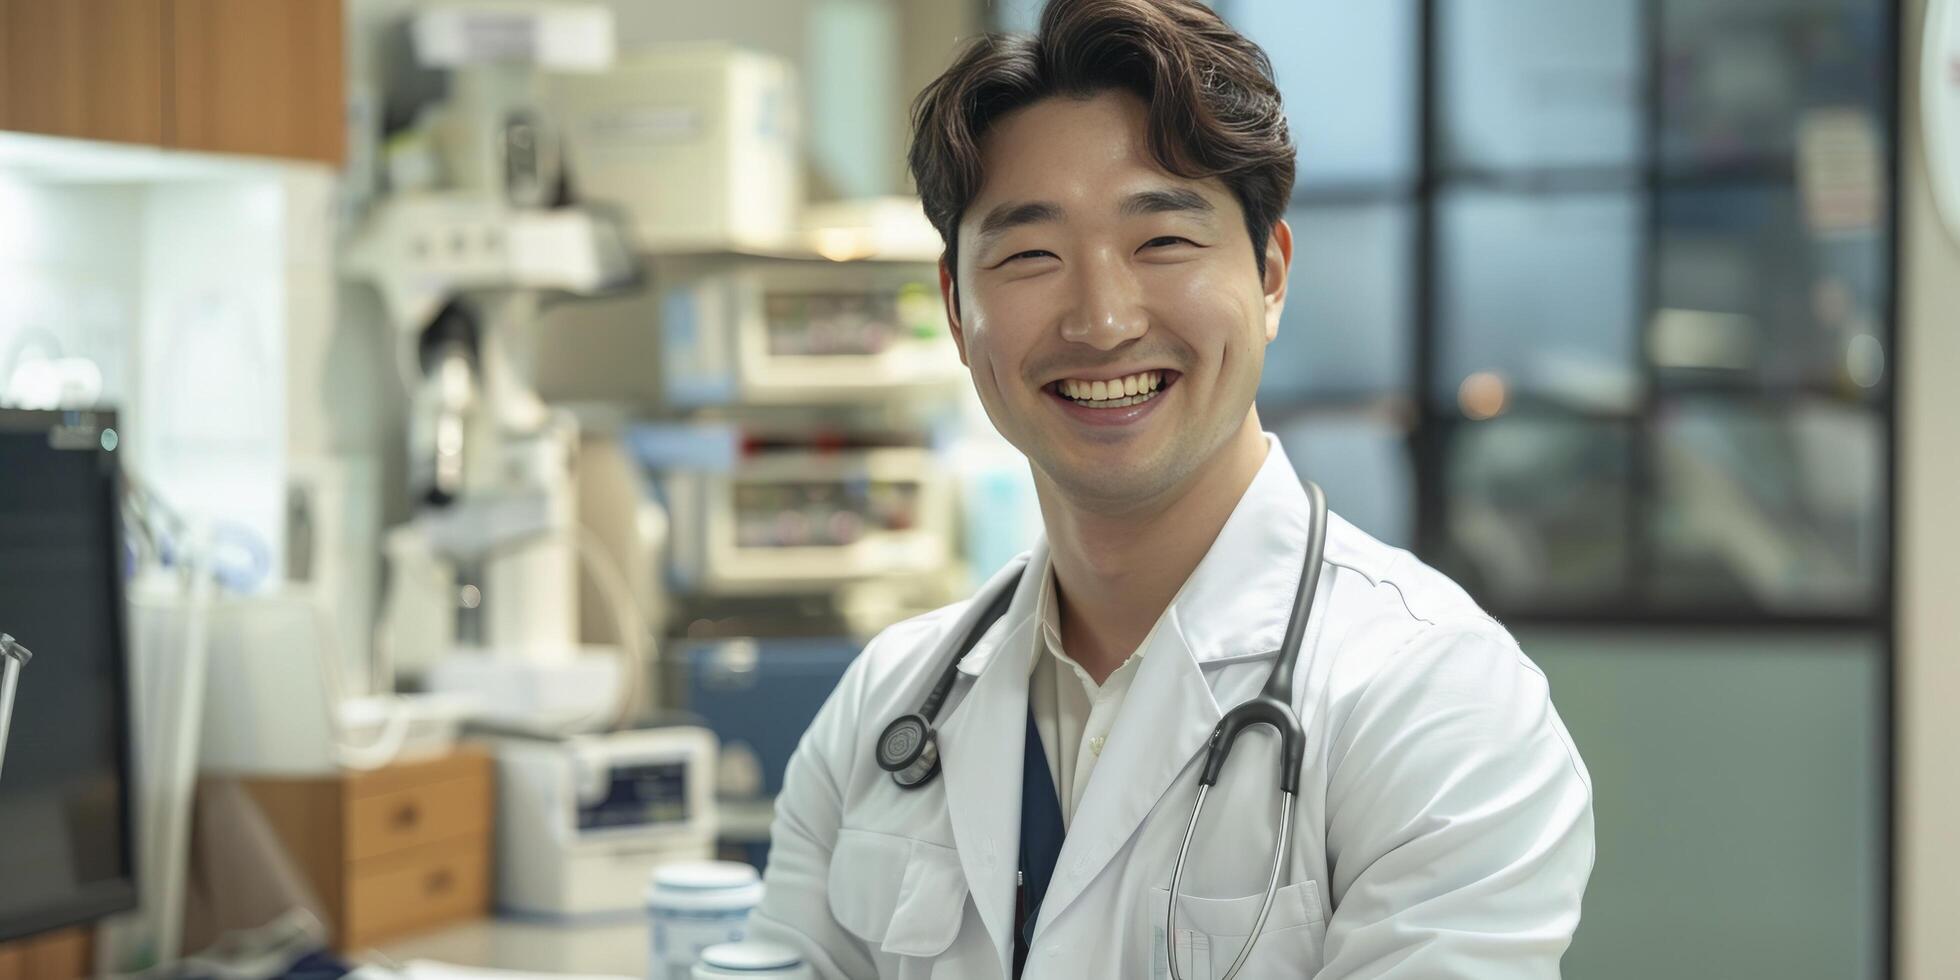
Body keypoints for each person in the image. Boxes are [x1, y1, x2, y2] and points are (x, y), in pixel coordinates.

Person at [750, 0, 1594, 976]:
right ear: (955, 307)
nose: (1102, 319)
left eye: (1163, 242)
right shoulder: (885, 710)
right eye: (1030, 255)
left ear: (1270, 274)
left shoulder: (1436, 707)